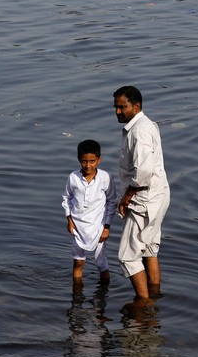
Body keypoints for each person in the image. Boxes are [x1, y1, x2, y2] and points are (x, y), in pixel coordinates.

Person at [113, 86, 170, 301]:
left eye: (122, 107)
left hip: (144, 199)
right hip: (157, 195)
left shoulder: (139, 130)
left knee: (127, 257)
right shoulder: (146, 125)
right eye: (116, 107)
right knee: (149, 250)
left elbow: (143, 172)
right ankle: (154, 294)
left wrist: (127, 197)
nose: (118, 112)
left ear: (136, 107)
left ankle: (144, 304)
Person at [62, 139, 117, 286]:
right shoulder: (73, 177)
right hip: (78, 227)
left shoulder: (106, 178)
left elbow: (112, 202)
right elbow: (66, 198)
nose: (88, 165)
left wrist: (106, 227)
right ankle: (77, 297)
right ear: (79, 160)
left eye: (92, 161)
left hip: (98, 227)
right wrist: (69, 221)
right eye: (84, 161)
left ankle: (104, 296)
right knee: (78, 263)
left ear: (99, 160)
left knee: (101, 263)